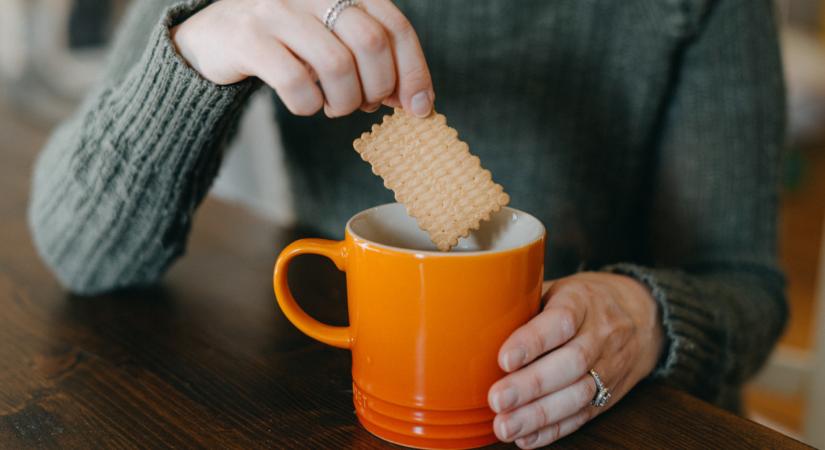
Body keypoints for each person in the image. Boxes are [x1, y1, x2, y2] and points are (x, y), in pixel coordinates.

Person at [28, 0, 787, 448]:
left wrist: (645, 317)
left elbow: (746, 286)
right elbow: (83, 252)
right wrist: (195, 48)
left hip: (618, 420)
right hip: (342, 412)